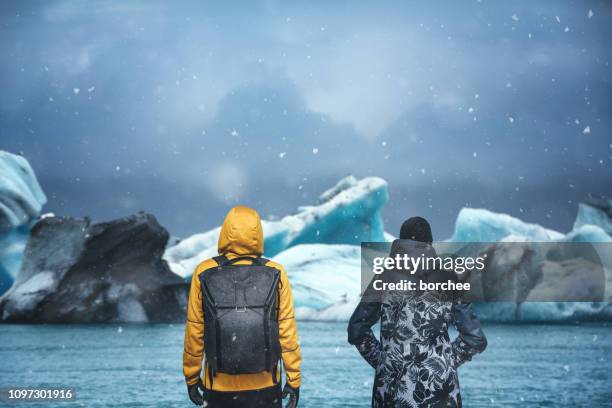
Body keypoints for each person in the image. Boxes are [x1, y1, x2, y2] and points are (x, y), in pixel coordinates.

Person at [348, 217, 487, 407]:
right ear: (429, 243)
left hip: (392, 392)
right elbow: (475, 339)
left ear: (400, 242)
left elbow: (357, 330)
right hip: (440, 393)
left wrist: (384, 361)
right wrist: (444, 361)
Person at [183, 206, 301, 407]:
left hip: (219, 386)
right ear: (258, 233)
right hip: (266, 385)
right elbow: (286, 331)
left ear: (226, 232)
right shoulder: (276, 272)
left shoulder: (204, 272)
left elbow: (195, 331)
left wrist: (191, 378)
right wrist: (294, 379)